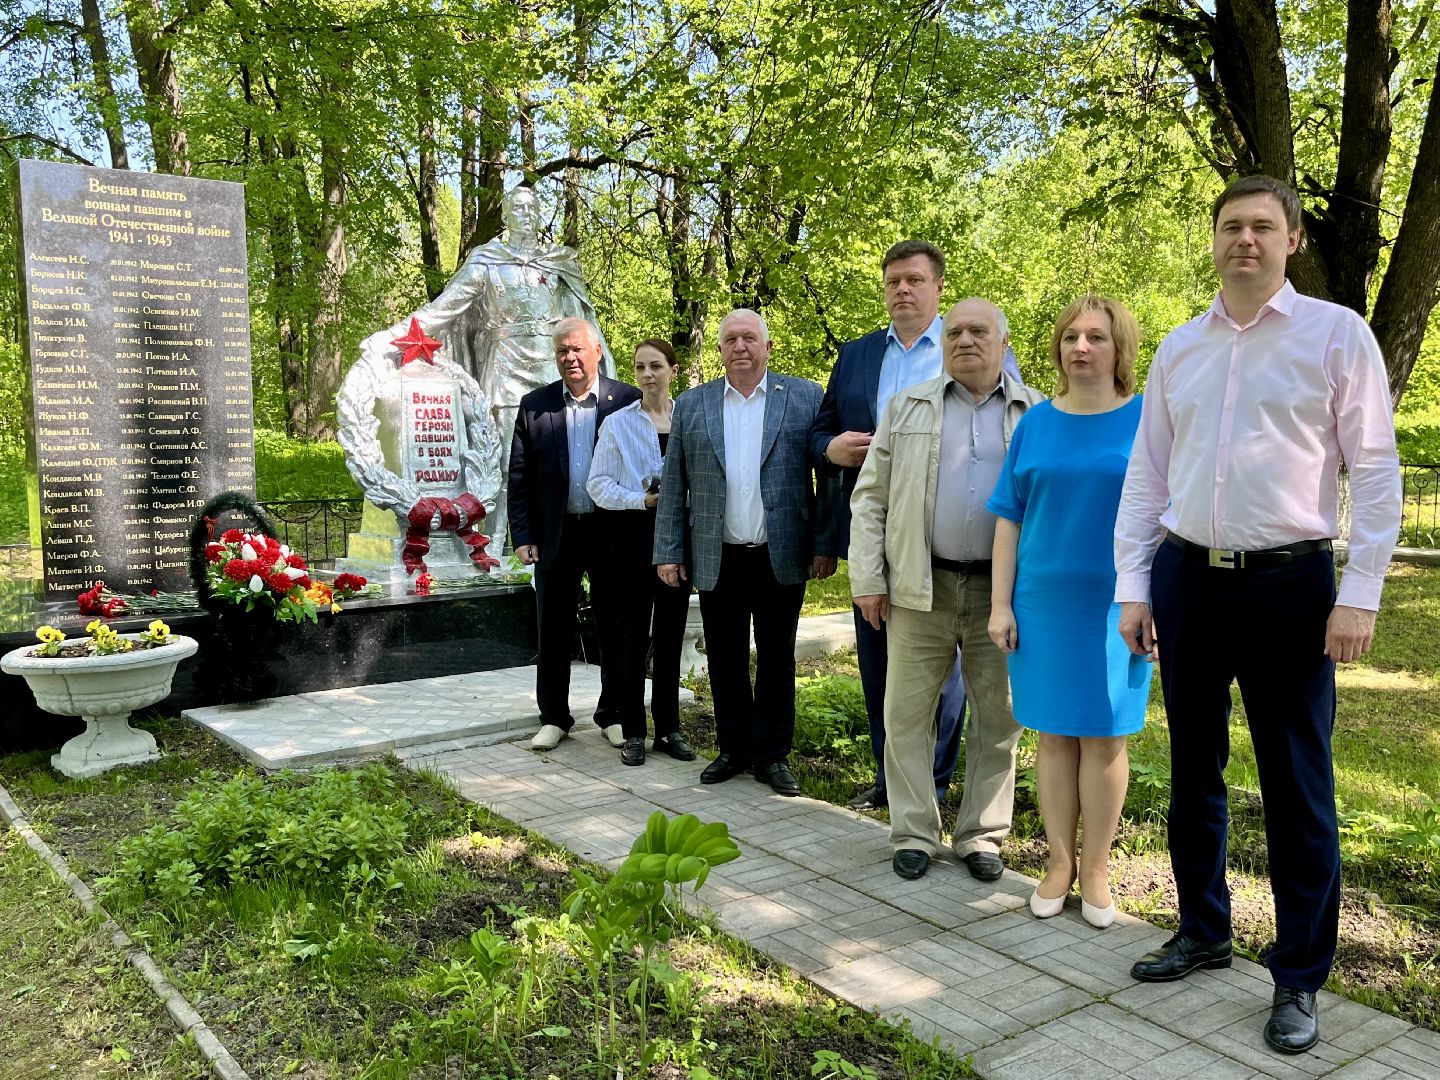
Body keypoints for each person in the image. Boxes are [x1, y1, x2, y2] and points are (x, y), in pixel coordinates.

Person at [1114, 175, 1401, 1055]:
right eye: (1231, 226)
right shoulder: (1179, 347)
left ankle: (1299, 975)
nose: (1245, 239)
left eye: (1262, 227)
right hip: (1188, 579)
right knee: (1193, 770)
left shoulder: (1336, 335)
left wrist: (1359, 594)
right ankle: (1203, 929)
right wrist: (1134, 585)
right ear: (1214, 239)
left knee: (1296, 785)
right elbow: (1148, 476)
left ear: (1291, 240)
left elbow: (1377, 472)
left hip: (1291, 588)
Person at [810, 240, 1010, 811]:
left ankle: (939, 780)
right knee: (884, 671)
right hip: (878, 533)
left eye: (915, 280)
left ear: (937, 287)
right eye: (894, 280)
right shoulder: (856, 355)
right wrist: (833, 449)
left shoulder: (972, 341)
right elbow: (819, 431)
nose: (903, 289)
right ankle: (891, 780)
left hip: (955, 543)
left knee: (949, 680)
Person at [849, 298, 1044, 881]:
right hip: (920, 583)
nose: (965, 340)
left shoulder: (1037, 414)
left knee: (999, 717)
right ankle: (913, 831)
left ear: (1003, 342)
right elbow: (871, 498)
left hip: (1002, 594)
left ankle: (981, 834)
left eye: (978, 331)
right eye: (954, 330)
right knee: (905, 713)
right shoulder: (907, 405)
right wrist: (868, 578)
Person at [987, 296, 1151, 930]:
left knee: (1106, 736)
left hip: (1119, 607)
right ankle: (1058, 863)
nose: (1081, 347)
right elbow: (1009, 516)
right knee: (1053, 735)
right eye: (1070, 337)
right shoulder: (1035, 422)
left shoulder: (1146, 420)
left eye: (1097, 337)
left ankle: (1097, 868)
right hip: (1042, 604)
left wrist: (1155, 601)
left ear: (1120, 351)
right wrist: (1001, 604)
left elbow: (1168, 516)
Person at [367, 186, 614, 559]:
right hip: (505, 369)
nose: (527, 214)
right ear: (506, 217)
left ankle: (562, 549)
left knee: (559, 461)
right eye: (518, 208)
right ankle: (492, 550)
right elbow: (444, 309)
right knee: (502, 463)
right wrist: (396, 334)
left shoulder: (558, 263)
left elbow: (583, 321)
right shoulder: (487, 261)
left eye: (533, 208)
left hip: (552, 368)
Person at [654, 308, 839, 795]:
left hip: (782, 551)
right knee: (725, 658)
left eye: (750, 338)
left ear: (767, 347)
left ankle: (773, 757)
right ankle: (733, 749)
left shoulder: (804, 397)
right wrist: (668, 550)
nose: (740, 346)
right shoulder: (693, 405)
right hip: (718, 553)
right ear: (719, 349)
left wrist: (823, 544)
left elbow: (827, 477)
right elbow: (674, 484)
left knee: (778, 658)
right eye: (731, 339)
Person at [509, 318, 640, 751]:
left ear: (597, 350)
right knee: (553, 626)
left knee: (615, 623)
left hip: (612, 532)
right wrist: (523, 534)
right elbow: (520, 477)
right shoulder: (535, 405)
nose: (570, 357)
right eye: (562, 350)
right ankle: (554, 717)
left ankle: (614, 713)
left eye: (578, 349)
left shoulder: (627, 400)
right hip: (555, 533)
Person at [586, 339, 697, 766]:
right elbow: (598, 484)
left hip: (678, 539)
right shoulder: (617, 424)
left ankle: (668, 729)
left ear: (673, 369)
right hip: (631, 538)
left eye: (656, 366)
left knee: (669, 636)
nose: (648, 375)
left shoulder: (690, 417)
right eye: (640, 368)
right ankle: (633, 730)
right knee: (631, 637)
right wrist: (640, 499)